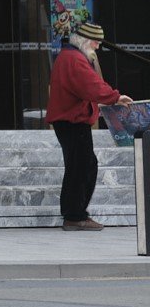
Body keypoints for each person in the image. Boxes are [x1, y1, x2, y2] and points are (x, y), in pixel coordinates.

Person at [47, 21, 133, 231]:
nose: (97, 47)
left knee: (82, 166)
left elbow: (91, 85)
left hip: (71, 121)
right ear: (85, 41)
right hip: (71, 122)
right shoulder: (74, 59)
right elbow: (90, 85)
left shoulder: (71, 56)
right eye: (95, 42)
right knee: (82, 167)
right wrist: (114, 97)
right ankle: (75, 216)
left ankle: (75, 213)